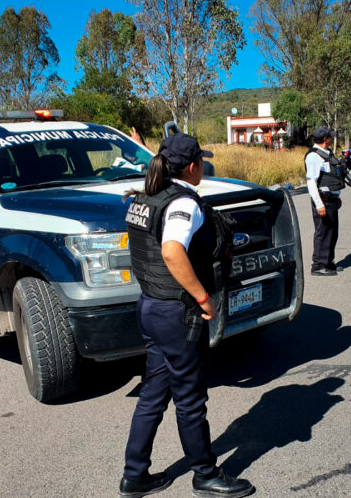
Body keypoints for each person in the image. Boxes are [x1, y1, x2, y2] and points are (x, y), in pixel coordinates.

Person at [120, 132, 255, 498]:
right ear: (193, 166)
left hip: (150, 306)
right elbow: (171, 251)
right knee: (191, 398)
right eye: (201, 162)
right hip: (177, 312)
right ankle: (205, 475)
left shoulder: (145, 196)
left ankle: (135, 475)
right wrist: (203, 298)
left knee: (153, 394)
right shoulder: (183, 204)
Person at [305, 126, 342, 276]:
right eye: (330, 137)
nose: (332, 138)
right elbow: (311, 182)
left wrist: (337, 197)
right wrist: (319, 204)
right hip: (323, 200)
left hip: (331, 199)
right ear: (325, 139)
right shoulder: (313, 156)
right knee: (323, 232)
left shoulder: (326, 153)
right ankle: (318, 265)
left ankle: (328, 262)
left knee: (332, 232)